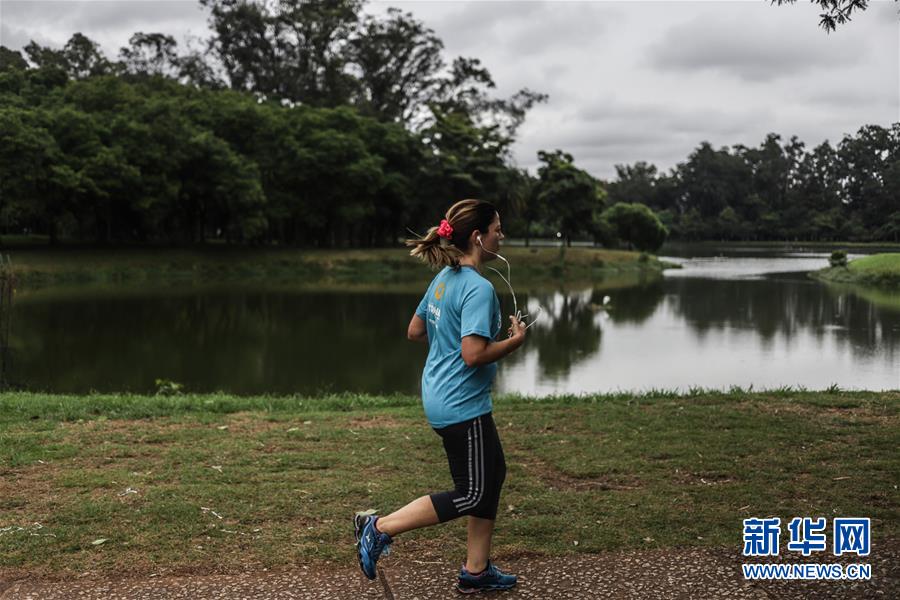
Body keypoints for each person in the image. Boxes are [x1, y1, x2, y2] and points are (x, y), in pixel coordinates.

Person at [354, 199, 527, 594]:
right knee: (473, 492)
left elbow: (415, 331)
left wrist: (448, 340)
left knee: (492, 474)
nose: (502, 235)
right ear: (479, 237)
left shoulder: (444, 278)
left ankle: (476, 571)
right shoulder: (479, 289)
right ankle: (378, 527)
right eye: (498, 229)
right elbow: (473, 355)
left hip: (441, 396)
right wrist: (514, 342)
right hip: (462, 404)